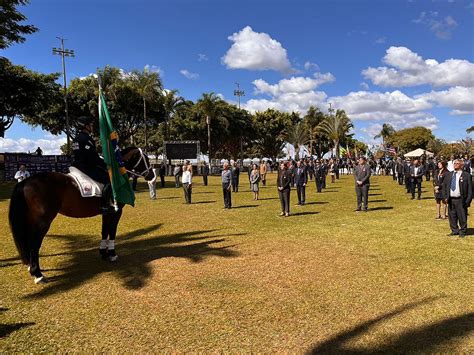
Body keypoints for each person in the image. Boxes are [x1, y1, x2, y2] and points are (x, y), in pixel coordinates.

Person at [71, 116, 114, 214]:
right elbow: (92, 157)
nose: (92, 126)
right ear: (85, 126)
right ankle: (105, 205)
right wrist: (106, 164)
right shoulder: (85, 138)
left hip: (77, 165)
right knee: (108, 179)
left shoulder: (77, 138)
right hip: (85, 166)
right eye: (90, 124)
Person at [443, 159, 472, 237]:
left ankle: (463, 231)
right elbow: (445, 187)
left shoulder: (466, 175)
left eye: (457, 163)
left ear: (461, 165)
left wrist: (467, 201)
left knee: (462, 216)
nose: (455, 164)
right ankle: (454, 230)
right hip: (451, 199)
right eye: (454, 163)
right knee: (452, 216)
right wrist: (445, 197)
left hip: (461, 200)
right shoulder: (448, 174)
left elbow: (470, 190)